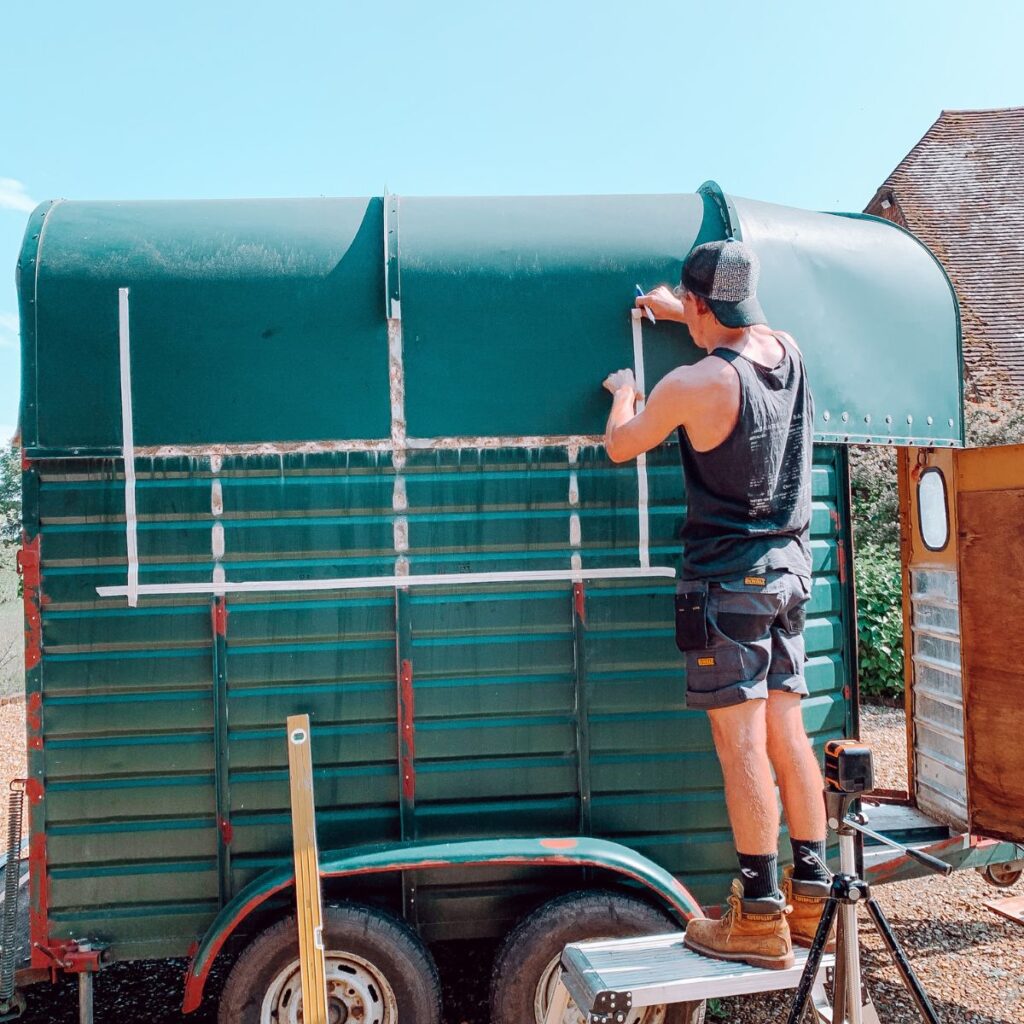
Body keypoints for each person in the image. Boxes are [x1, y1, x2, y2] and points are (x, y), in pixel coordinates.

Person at [603, 239, 832, 971]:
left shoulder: (690, 385)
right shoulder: (786, 349)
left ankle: (759, 917)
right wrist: (689, 315)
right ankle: (811, 898)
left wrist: (622, 394)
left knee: (740, 751)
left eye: (689, 304)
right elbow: (735, 339)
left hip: (728, 584)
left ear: (701, 306)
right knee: (787, 736)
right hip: (789, 575)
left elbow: (621, 445)